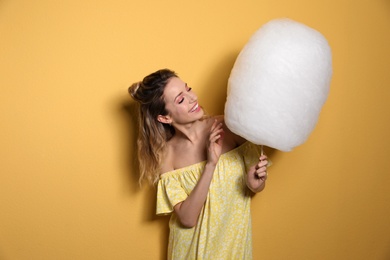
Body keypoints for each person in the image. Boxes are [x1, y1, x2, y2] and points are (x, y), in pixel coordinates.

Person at [129, 68, 269, 259]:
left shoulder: (230, 127)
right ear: (164, 118)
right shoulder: (166, 156)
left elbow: (254, 185)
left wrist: (256, 183)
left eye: (188, 89)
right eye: (180, 99)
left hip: (234, 251)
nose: (192, 98)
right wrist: (211, 164)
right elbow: (187, 219)